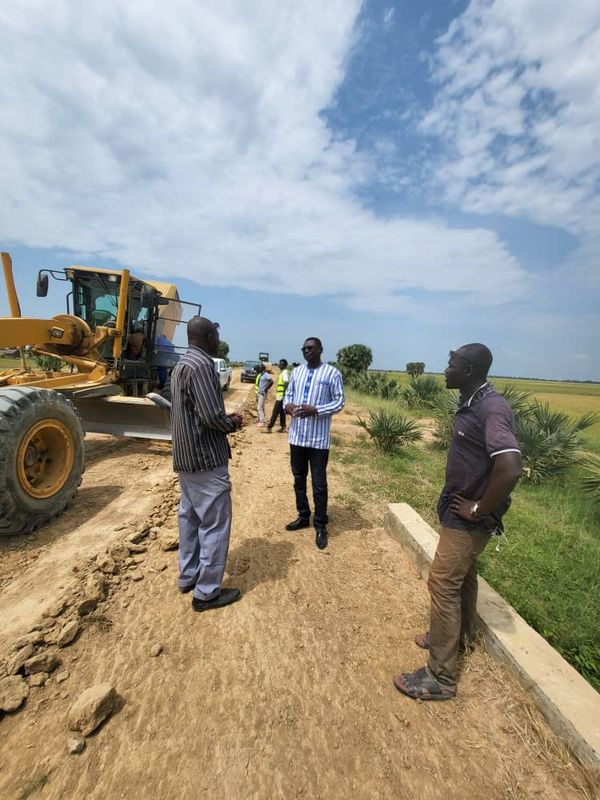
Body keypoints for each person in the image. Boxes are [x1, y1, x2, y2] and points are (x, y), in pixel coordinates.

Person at [393, 344, 522, 700]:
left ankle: (441, 677)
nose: (445, 369)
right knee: (462, 578)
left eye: (451, 365)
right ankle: (455, 638)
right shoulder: (472, 403)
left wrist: (479, 509)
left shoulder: (491, 408)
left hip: (470, 519)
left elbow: (510, 466)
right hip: (458, 510)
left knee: (443, 584)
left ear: (468, 370)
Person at [170, 316, 244, 612]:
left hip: (186, 459)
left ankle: (188, 576)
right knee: (214, 523)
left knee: (189, 519)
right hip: (204, 459)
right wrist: (234, 422)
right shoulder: (202, 366)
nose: (217, 339)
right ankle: (207, 592)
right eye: (215, 333)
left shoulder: (181, 364)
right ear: (208, 337)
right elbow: (211, 417)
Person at [284, 337, 345, 550]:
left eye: (310, 348)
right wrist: (288, 407)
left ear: (320, 349)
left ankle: (320, 524)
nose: (306, 351)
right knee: (298, 479)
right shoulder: (297, 372)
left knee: (319, 484)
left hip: (318, 440)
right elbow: (287, 396)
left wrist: (317, 410)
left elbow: (339, 401)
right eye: (303, 348)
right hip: (297, 437)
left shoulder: (332, 373)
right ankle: (303, 516)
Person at [265, 359, 290, 433]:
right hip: (280, 395)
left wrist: (284, 394)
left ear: (285, 365)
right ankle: (283, 427)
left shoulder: (285, 372)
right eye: (279, 364)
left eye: (281, 364)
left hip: (281, 395)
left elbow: (286, 383)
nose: (279, 365)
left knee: (275, 411)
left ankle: (269, 428)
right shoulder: (282, 372)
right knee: (282, 412)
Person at [256, 362, 273, 427]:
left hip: (263, 393)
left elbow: (271, 382)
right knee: (262, 407)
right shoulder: (261, 374)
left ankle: (262, 421)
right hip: (260, 393)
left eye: (260, 368)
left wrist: (266, 389)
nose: (259, 369)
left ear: (262, 368)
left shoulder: (266, 374)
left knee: (259, 407)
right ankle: (262, 420)